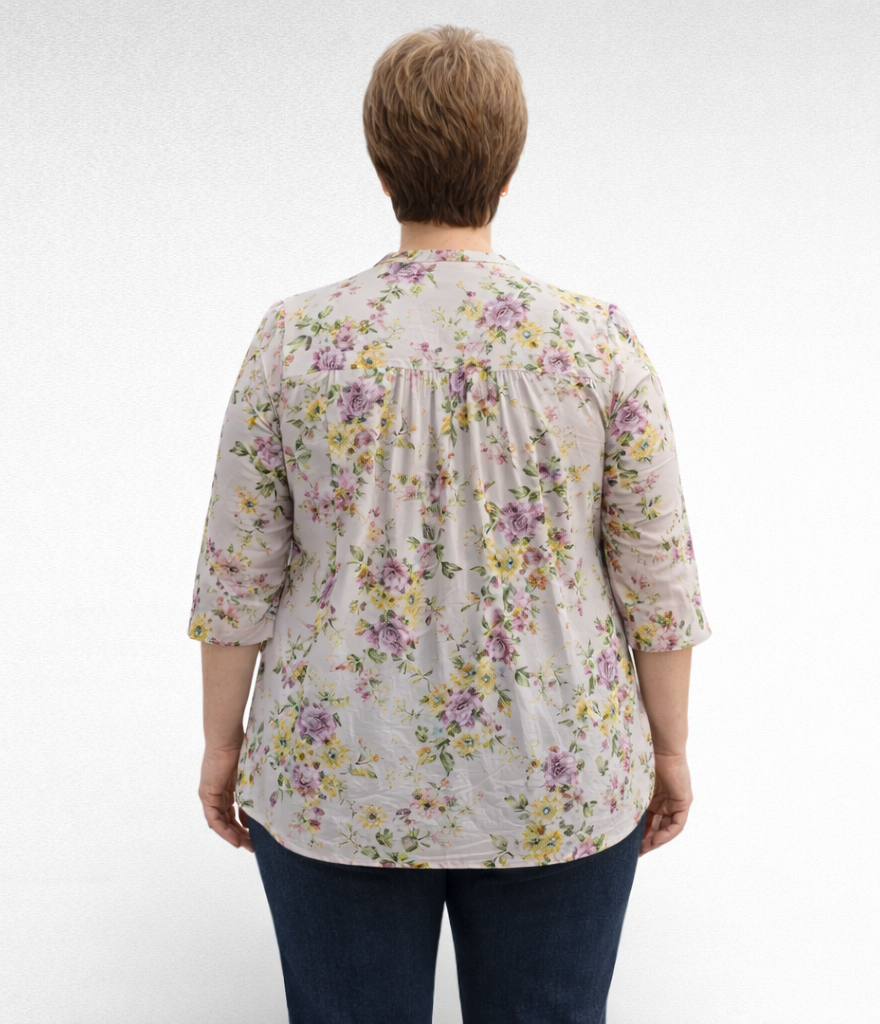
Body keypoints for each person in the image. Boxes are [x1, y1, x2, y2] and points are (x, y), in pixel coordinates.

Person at [186, 23, 712, 1024]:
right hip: (556, 770)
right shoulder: (594, 343)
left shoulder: (297, 340)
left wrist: (222, 743)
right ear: (508, 166)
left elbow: (236, 574)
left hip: (337, 773)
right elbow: (659, 582)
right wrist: (670, 746)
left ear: (380, 163)